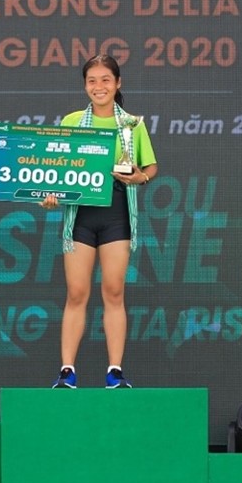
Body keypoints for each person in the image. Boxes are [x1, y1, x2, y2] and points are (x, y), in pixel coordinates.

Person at [41, 55, 158, 389]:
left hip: (116, 213)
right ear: (85, 86)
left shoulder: (132, 124)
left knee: (114, 291)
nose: (99, 86)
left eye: (106, 79)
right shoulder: (72, 121)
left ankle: (115, 371)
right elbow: (55, 170)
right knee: (76, 292)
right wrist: (49, 194)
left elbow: (150, 167)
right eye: (92, 80)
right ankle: (67, 371)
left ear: (118, 83)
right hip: (80, 215)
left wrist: (139, 178)